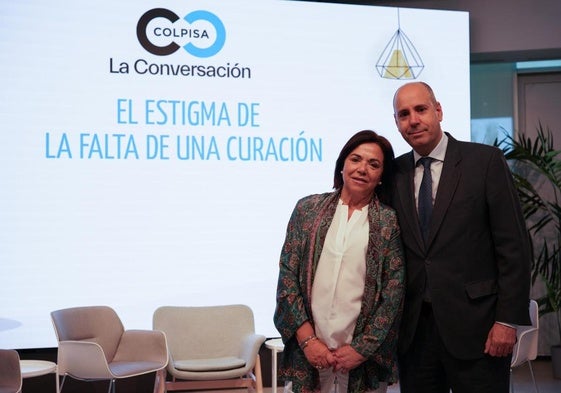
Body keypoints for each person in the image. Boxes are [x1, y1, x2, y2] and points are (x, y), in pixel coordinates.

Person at [390, 81, 531, 393]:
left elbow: (514, 247)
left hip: (480, 329)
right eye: (403, 114)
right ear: (397, 124)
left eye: (421, 109)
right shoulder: (393, 173)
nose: (413, 120)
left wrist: (507, 321)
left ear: (438, 111)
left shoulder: (484, 162)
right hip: (415, 336)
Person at [273, 130, 405, 393]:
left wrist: (361, 349)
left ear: (381, 177)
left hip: (359, 359)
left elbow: (394, 294)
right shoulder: (307, 210)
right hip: (309, 352)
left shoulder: (389, 222)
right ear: (342, 164)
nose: (362, 169)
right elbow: (287, 278)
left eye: (373, 164)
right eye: (356, 159)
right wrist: (308, 341)